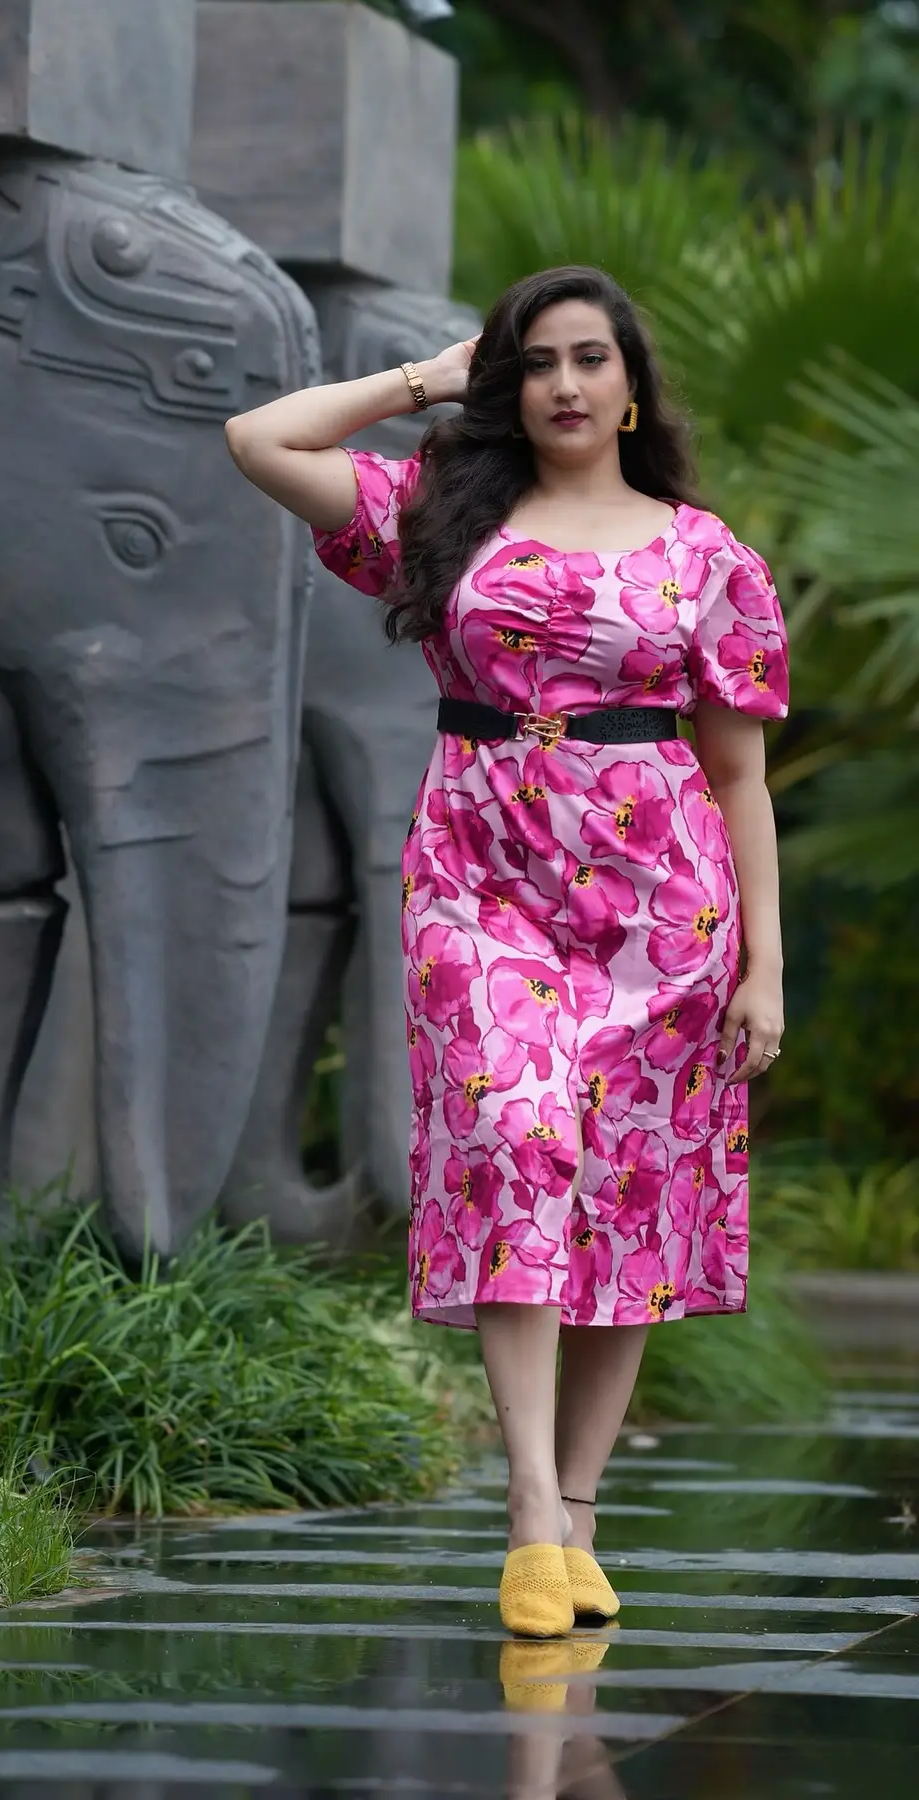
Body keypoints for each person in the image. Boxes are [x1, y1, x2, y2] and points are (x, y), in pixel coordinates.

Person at [224, 266, 787, 1639]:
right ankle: (532, 1507)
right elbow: (263, 441)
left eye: (592, 358)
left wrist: (764, 964)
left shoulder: (706, 556)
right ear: (509, 385)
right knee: (516, 1138)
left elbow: (739, 774)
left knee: (632, 1202)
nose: (567, 384)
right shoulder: (443, 517)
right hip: (480, 882)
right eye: (537, 363)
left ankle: (581, 1514)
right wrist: (424, 379)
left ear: (632, 384)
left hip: (665, 904)